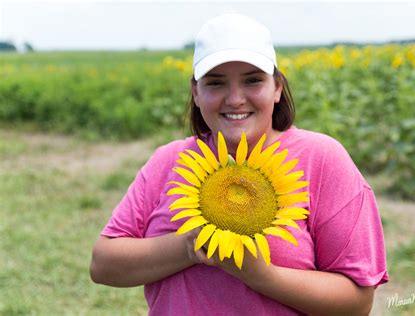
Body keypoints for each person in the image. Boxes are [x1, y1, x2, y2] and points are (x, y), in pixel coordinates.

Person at [90, 13, 388, 315]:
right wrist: (191, 247)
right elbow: (104, 265)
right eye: (216, 83)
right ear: (196, 93)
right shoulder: (169, 161)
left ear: (277, 88)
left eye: (253, 80)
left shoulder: (321, 159)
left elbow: (357, 303)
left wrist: (261, 275)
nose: (235, 99)